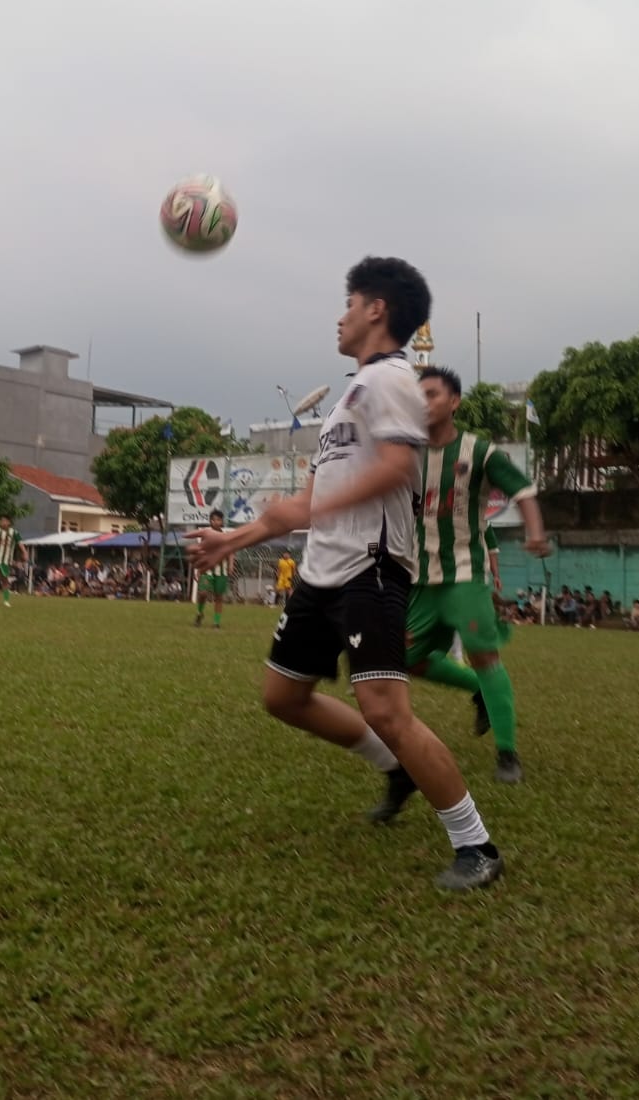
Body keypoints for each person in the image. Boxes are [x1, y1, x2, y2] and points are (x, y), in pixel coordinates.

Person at [187, 255, 504, 890]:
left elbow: (396, 469)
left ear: (376, 310)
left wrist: (318, 508)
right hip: (321, 573)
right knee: (284, 698)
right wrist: (233, 540)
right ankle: (395, 767)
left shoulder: (392, 380)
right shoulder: (347, 400)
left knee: (385, 706)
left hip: (372, 569)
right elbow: (301, 505)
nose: (341, 316)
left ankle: (477, 846)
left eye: (349, 303)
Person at [403, 365, 548, 784]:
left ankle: (508, 755)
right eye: (419, 396)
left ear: (454, 402)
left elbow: (523, 491)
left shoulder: (478, 452)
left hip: (465, 574)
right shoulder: (404, 454)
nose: (424, 403)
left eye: (432, 394)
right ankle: (476, 690)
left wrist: (535, 533)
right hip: (418, 578)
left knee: (485, 655)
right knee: (406, 660)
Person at [193, 510, 234, 627]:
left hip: (222, 570)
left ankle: (216, 622)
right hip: (207, 569)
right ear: (210, 521)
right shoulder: (206, 535)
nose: (215, 522)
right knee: (203, 593)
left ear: (221, 521)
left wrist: (231, 564)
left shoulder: (226, 536)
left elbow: (230, 552)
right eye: (213, 519)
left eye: (218, 520)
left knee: (219, 596)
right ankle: (200, 613)